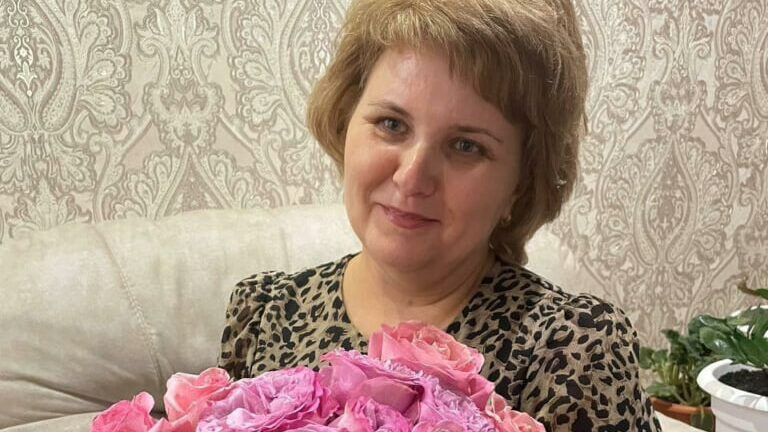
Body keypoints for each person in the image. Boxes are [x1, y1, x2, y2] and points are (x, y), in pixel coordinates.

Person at [219, 0, 660, 430]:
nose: (412, 177)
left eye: (466, 146)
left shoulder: (574, 349)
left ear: (521, 180)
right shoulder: (263, 313)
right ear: (344, 118)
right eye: (392, 124)